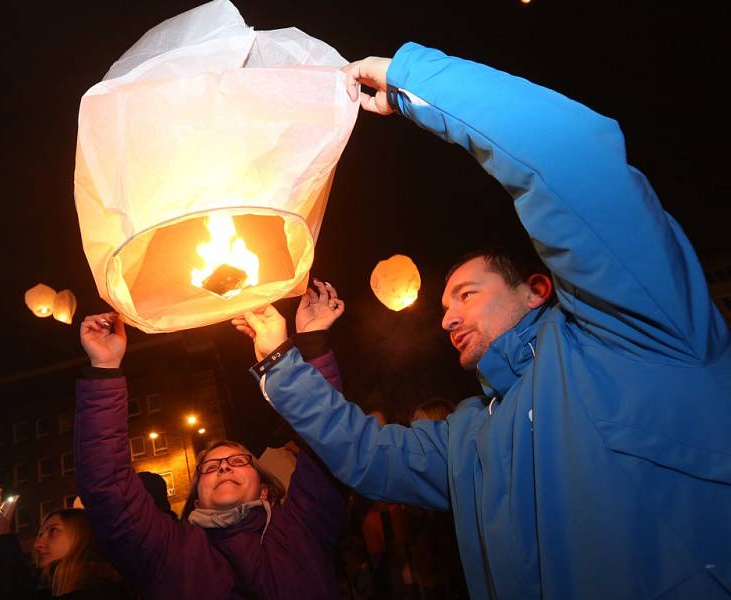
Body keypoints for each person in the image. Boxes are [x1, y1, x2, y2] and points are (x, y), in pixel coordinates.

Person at [234, 43, 731, 599]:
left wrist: (416, 83)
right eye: (445, 305)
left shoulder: (633, 336)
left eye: (466, 294)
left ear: (536, 290)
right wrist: (279, 357)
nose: (448, 318)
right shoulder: (471, 435)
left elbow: (574, 167)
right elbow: (367, 455)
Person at [75, 279, 348, 599]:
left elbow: (328, 443)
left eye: (237, 460)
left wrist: (310, 341)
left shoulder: (302, 529)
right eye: (210, 466)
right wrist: (104, 367)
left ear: (264, 488)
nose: (223, 468)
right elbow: (107, 486)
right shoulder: (166, 553)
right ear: (197, 496)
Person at [0, 506, 128, 599]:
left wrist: (2, 543)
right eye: (39, 534)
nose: (38, 544)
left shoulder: (103, 592)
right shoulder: (40, 587)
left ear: (84, 538)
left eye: (53, 531)